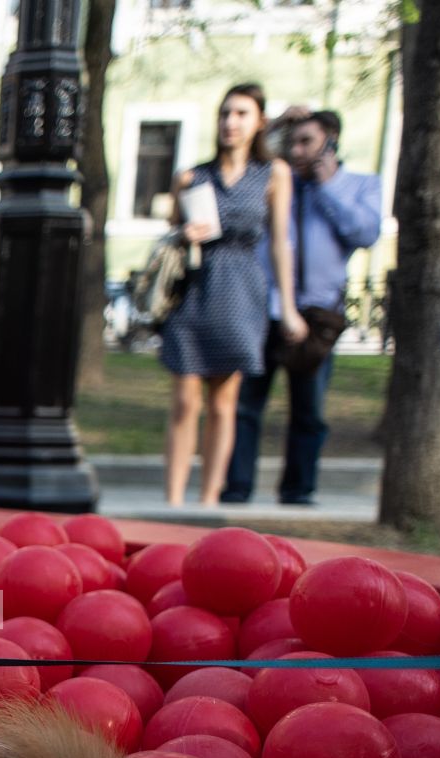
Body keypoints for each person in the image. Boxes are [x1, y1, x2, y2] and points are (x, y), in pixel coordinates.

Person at [157, 83, 306, 508]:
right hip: (194, 289)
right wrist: (183, 232)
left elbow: (280, 243)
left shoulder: (273, 174)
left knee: (224, 404)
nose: (230, 122)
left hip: (242, 290)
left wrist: (289, 308)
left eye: (241, 113)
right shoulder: (191, 176)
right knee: (185, 401)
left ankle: (207, 502)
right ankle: (171, 502)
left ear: (259, 121)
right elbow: (168, 238)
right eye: (225, 113)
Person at [224, 109, 382, 506]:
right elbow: (249, 164)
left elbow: (364, 233)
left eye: (306, 141)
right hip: (264, 310)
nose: (296, 150)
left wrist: (326, 188)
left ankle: (298, 490)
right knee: (245, 407)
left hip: (317, 314)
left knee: (309, 410)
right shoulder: (277, 182)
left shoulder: (360, 186)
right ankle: (236, 488)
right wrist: (273, 124)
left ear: (331, 142)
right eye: (291, 142)